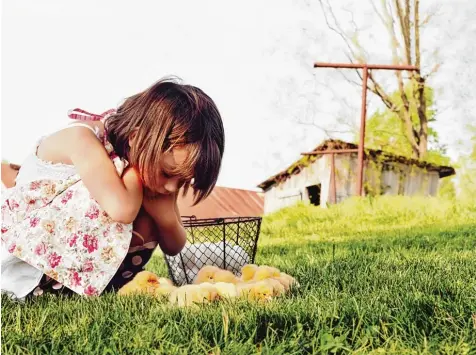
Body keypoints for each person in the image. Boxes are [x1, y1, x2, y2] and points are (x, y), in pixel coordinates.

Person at [1, 77, 225, 298]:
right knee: (129, 201)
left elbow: (175, 246)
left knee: (148, 213)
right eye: (167, 174)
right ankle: (57, 288)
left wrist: (165, 218)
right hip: (27, 261)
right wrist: (135, 177)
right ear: (136, 139)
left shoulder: (152, 163)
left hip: (70, 256)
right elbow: (122, 210)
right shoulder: (80, 138)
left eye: (183, 180)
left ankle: (101, 284)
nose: (170, 187)